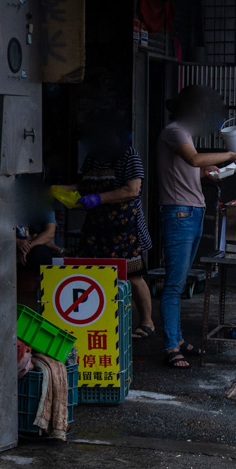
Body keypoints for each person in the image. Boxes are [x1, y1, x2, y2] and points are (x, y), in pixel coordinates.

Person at [157, 85, 236, 368]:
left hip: (193, 212)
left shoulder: (185, 135)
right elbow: (194, 159)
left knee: (181, 281)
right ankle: (171, 346)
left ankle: (177, 338)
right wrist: (230, 155)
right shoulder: (174, 131)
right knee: (174, 284)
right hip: (179, 214)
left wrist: (210, 173)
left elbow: (194, 167)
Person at [64, 110, 155, 339]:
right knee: (91, 273)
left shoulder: (128, 155)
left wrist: (99, 198)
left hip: (124, 228)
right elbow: (82, 184)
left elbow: (132, 190)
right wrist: (57, 191)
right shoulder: (93, 157)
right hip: (96, 227)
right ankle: (100, 319)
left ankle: (147, 322)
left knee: (133, 275)